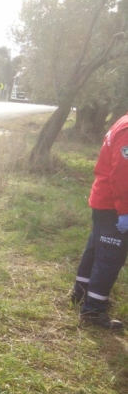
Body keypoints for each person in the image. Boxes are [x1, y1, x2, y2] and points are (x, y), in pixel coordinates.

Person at [71, 114, 128, 330]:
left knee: (95, 250)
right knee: (110, 258)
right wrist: (124, 211)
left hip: (106, 202)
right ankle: (93, 310)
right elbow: (123, 174)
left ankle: (81, 294)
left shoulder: (123, 121)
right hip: (114, 205)